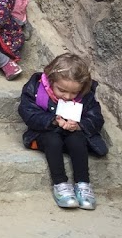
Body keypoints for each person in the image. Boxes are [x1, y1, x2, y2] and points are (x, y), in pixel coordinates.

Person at [18, 54, 106, 209]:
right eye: (62, 90)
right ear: (51, 80)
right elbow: (28, 112)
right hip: (43, 133)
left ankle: (83, 183)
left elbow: (96, 118)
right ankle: (60, 184)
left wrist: (79, 125)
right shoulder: (36, 89)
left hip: (73, 134)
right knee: (53, 140)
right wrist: (52, 120)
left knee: (77, 139)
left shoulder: (86, 96)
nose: (67, 96)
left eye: (74, 93)